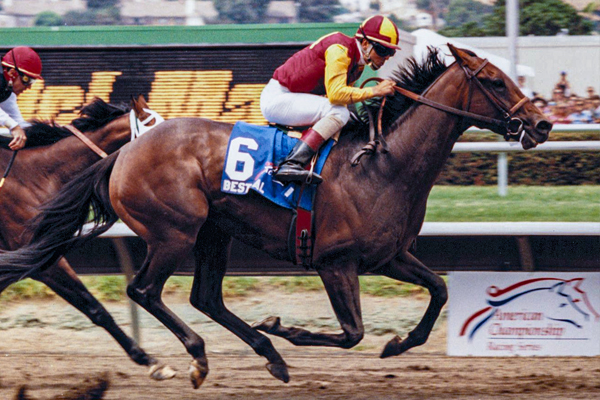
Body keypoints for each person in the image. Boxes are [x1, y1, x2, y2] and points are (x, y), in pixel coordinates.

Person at [260, 15, 399, 184]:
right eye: (383, 50)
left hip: (291, 97)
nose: (386, 57)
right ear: (365, 44)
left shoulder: (358, 65)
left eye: (390, 53)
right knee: (339, 112)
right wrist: (375, 91)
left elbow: (342, 99)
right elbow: (335, 95)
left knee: (345, 115)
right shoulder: (339, 49)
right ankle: (292, 163)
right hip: (278, 99)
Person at [0, 46, 43, 151]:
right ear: (12, 73)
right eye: (27, 80)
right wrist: (14, 127)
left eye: (32, 81)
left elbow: (18, 121)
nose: (29, 87)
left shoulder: (6, 90)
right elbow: (15, 125)